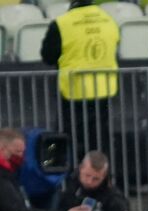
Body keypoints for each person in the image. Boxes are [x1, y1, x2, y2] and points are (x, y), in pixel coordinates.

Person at [41, 0, 119, 164]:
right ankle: (100, 174)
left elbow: (48, 56)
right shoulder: (108, 19)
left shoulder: (63, 23)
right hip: (102, 90)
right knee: (99, 140)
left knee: (69, 140)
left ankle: (72, 175)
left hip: (73, 91)